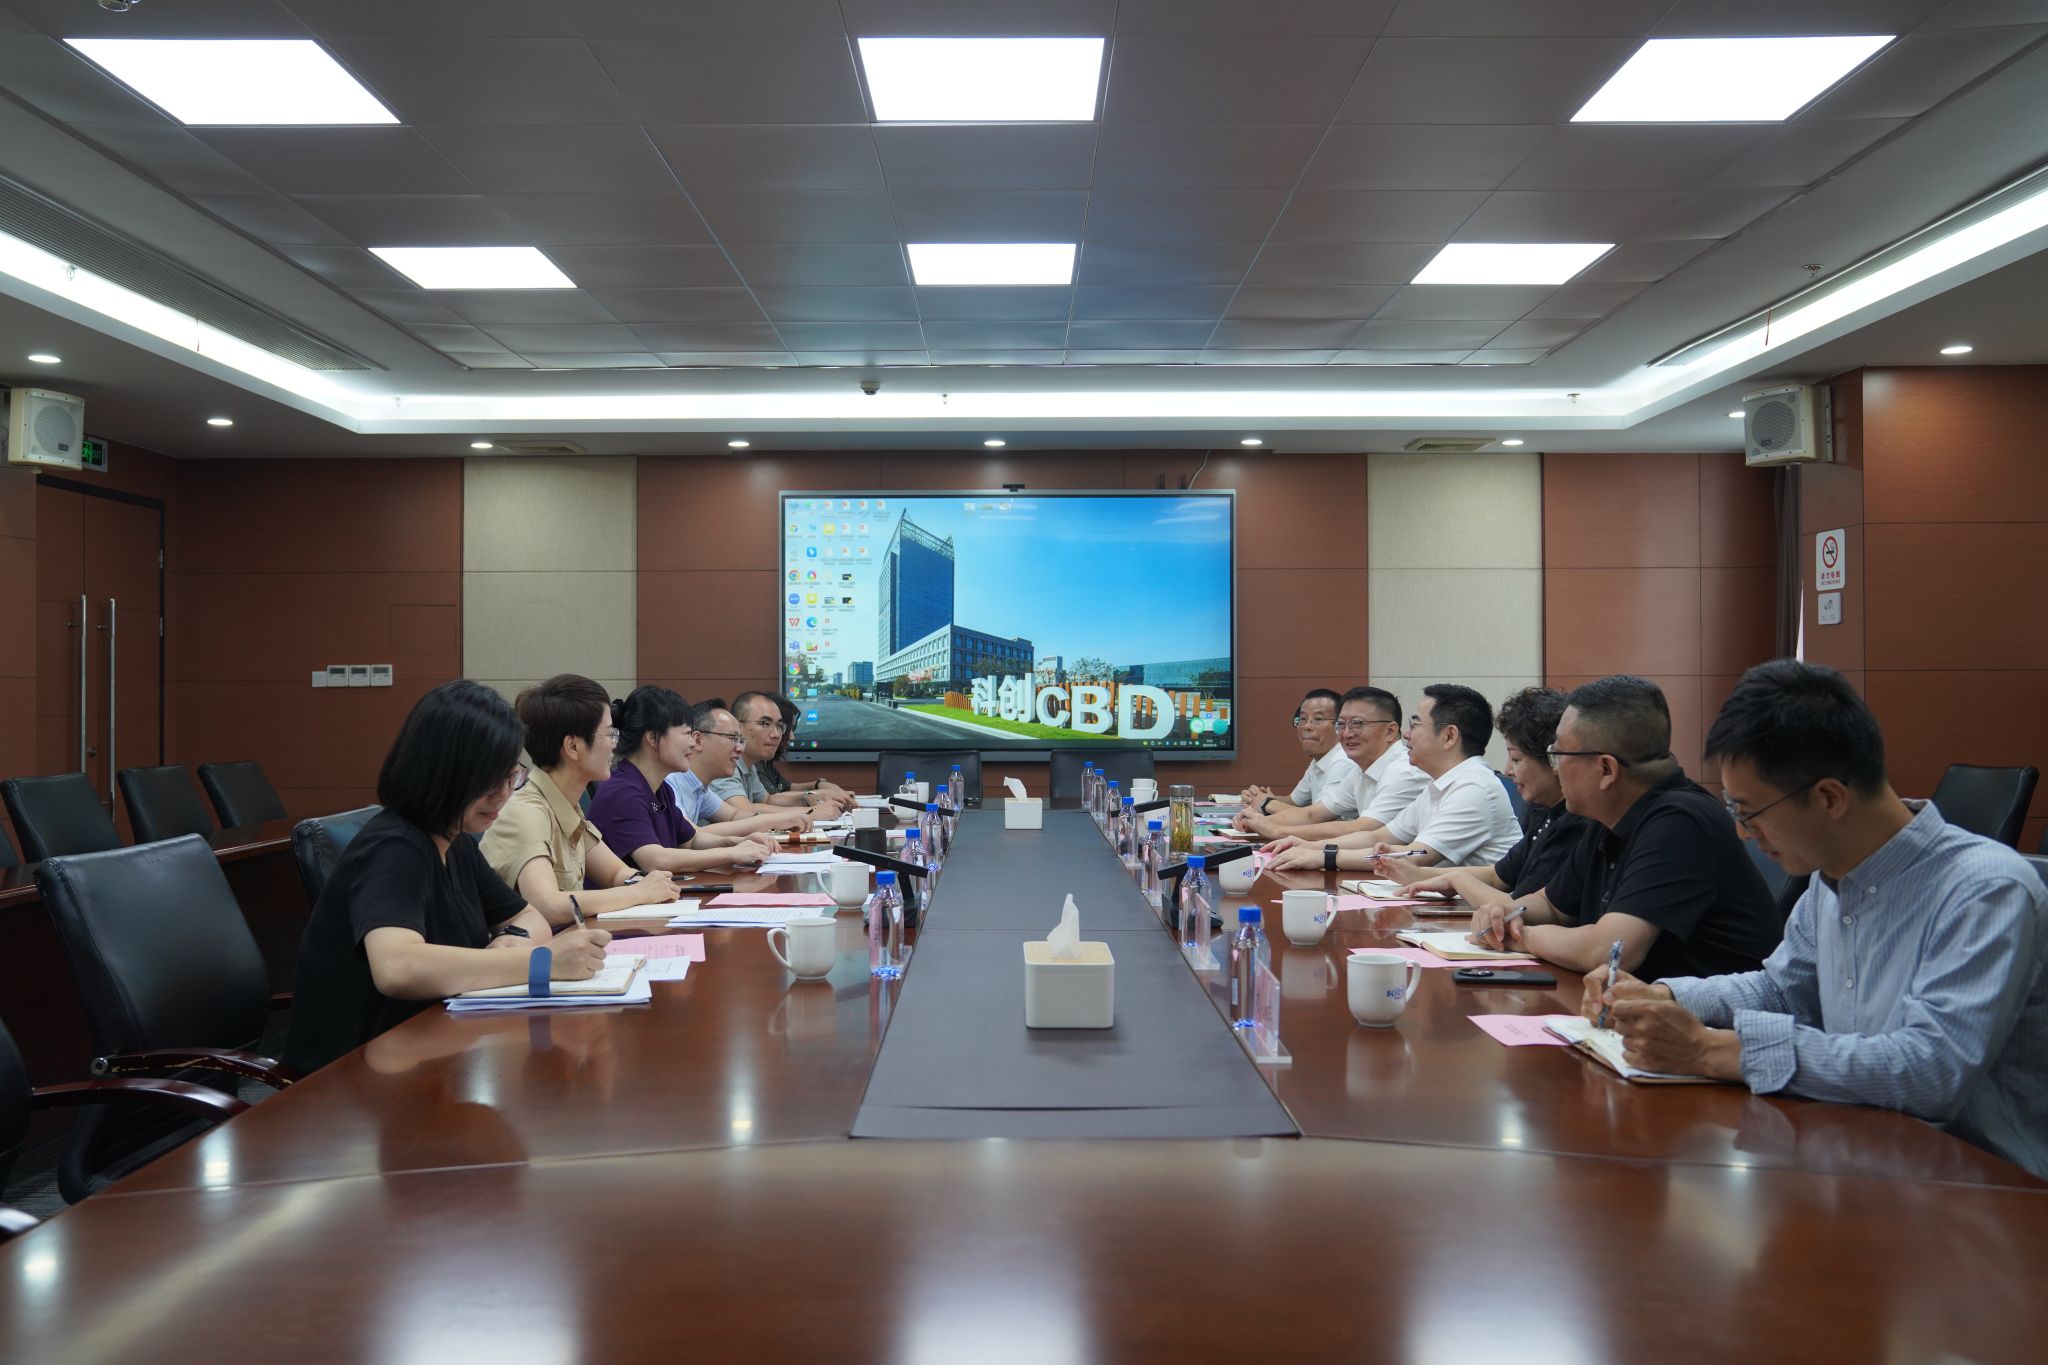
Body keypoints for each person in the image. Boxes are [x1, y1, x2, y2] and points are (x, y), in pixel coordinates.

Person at [1584, 660, 2048, 1177]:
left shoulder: (1986, 889)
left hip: (1984, 1188)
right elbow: (1784, 992)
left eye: (1749, 812)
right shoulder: (1831, 879)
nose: (1743, 834)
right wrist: (1666, 996)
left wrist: (1710, 1050)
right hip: (1861, 1154)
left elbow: (1929, 1069)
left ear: (1829, 797)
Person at [284, 680, 612, 1073]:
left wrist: (508, 946)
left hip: (428, 1050)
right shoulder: (394, 848)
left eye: (511, 775)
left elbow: (529, 918)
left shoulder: (455, 842)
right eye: (490, 779)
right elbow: (398, 967)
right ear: (443, 772)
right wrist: (539, 963)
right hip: (350, 1077)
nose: (504, 794)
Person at [1457, 675, 1780, 981]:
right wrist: (1505, 912)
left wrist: (1520, 937)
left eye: (1557, 755)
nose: (1555, 768)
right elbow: (1553, 907)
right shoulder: (1610, 814)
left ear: (1606, 769)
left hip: (1701, 1015)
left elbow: (1609, 951)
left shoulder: (1680, 822)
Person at [478, 673, 682, 928]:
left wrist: (649, 882)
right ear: (573, 746)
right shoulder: (526, 812)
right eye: (609, 734)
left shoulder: (568, 807)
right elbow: (548, 906)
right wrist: (640, 892)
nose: (614, 745)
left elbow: (616, 873)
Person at [1263, 684, 1521, 871]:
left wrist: (1323, 856)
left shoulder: (1474, 787)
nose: (1406, 735)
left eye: (1416, 725)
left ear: (1449, 736)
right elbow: (1379, 837)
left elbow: (1415, 855)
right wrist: (1307, 845)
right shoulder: (1439, 785)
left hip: (1474, 916)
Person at [1375, 686, 1591, 901]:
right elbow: (1498, 875)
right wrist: (1421, 875)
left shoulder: (1575, 824)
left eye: (1516, 759)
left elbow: (1525, 907)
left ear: (1554, 760)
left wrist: (1456, 880)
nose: (1507, 770)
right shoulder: (1543, 811)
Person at [587, 685, 780, 875]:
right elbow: (655, 860)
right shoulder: (623, 791)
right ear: (653, 737)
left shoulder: (660, 789)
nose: (692, 743)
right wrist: (731, 853)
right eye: (687, 733)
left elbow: (692, 840)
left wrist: (739, 842)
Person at [1235, 686, 1425, 839]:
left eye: (1357, 724)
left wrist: (1277, 830)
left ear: (1390, 731)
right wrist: (1258, 821)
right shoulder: (1361, 769)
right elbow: (1311, 814)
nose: (1346, 733)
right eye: (1341, 724)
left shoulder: (1404, 771)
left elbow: (1363, 829)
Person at [669, 702, 816, 838]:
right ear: (697, 740)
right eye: (732, 738)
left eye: (740, 740)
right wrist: (774, 821)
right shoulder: (671, 782)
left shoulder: (699, 788)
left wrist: (781, 819)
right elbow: (692, 835)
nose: (740, 748)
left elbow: (734, 815)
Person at [714, 691, 853, 816]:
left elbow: (768, 800)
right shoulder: (724, 762)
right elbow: (742, 811)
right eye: (765, 723)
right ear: (737, 727)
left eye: (780, 726)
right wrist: (811, 812)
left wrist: (809, 796)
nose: (776, 734)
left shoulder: (749, 763)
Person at [1238, 688, 1356, 816]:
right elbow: (1292, 802)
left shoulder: (1343, 762)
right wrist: (1258, 797)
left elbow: (1316, 817)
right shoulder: (1319, 760)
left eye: (1318, 719)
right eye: (1303, 719)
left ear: (1340, 726)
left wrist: (1266, 803)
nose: (1307, 726)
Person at [756, 692, 853, 805]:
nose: (792, 737)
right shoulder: (754, 762)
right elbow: (769, 801)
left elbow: (784, 788)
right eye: (783, 727)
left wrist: (819, 785)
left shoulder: (765, 762)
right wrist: (817, 796)